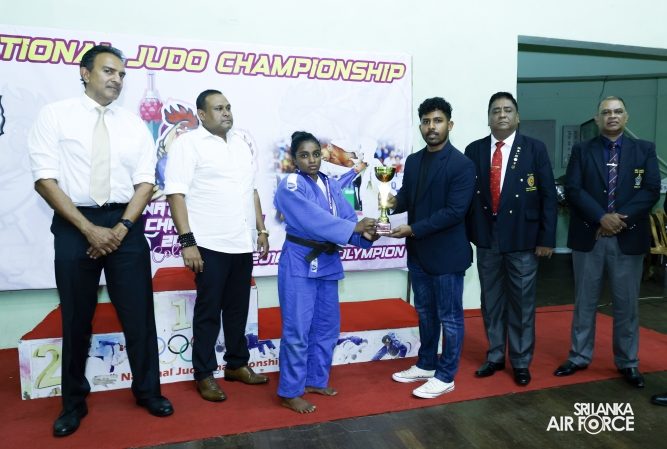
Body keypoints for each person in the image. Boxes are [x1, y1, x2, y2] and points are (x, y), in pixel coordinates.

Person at [28, 45, 173, 437]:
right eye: (109, 71)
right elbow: (44, 179)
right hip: (75, 223)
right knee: (76, 317)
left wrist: (120, 229)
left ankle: (148, 392)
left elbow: (146, 182)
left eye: (122, 75)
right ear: (85, 72)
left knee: (139, 315)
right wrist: (88, 229)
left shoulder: (133, 125)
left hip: (126, 223)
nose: (117, 79)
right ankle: (73, 403)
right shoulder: (55, 115)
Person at [165, 89, 271, 402]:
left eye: (228, 107)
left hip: (242, 243)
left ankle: (236, 364)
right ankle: (204, 373)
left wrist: (262, 229)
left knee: (238, 311)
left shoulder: (240, 144)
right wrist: (188, 243)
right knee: (209, 313)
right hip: (209, 244)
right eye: (218, 108)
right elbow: (175, 194)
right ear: (201, 114)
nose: (226, 113)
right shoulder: (188, 144)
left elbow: (251, 191)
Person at [555, 96, 660, 388]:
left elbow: (651, 190)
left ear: (626, 117)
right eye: (606, 112)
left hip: (628, 237)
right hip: (590, 235)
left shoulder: (645, 150)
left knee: (627, 305)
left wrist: (617, 221)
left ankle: (628, 361)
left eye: (617, 112)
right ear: (597, 119)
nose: (612, 116)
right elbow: (573, 189)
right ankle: (578, 356)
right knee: (584, 301)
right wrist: (601, 217)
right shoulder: (581, 150)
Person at [273, 131, 379, 413]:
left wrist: (366, 234)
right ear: (294, 159)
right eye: (304, 155)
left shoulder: (331, 184)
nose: (311, 160)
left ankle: (315, 379)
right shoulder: (291, 185)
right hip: (300, 260)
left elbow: (348, 220)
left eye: (316, 154)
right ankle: (290, 391)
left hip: (328, 262)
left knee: (326, 327)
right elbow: (313, 219)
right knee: (297, 329)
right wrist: (352, 228)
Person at [464, 92, 558, 386]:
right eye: (496, 110)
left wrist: (546, 239)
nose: (502, 114)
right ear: (488, 118)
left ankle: (520, 361)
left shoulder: (534, 148)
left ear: (517, 117)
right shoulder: (474, 150)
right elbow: (466, 197)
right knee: (491, 301)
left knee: (521, 303)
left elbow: (548, 196)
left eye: (508, 110)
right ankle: (495, 356)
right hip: (487, 236)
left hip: (523, 236)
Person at [385, 97, 476, 398]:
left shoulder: (462, 165)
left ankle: (446, 375)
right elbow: (408, 197)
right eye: (426, 121)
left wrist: (412, 229)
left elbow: (454, 212)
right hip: (418, 253)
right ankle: (426, 364)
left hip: (447, 255)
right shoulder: (413, 161)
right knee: (425, 312)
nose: (431, 127)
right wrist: (390, 201)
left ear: (449, 124)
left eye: (437, 121)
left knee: (450, 317)